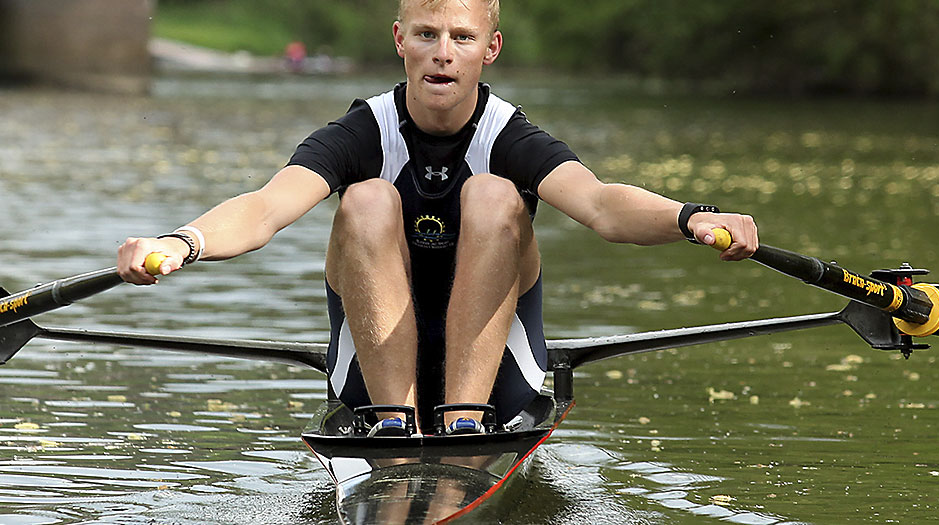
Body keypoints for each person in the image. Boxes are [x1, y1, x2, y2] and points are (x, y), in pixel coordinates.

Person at [115, 0, 758, 437]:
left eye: (462, 38)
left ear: (490, 48)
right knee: (365, 199)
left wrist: (692, 218)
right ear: (401, 41)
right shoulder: (360, 132)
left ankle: (465, 423)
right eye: (426, 35)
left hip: (497, 375)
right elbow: (265, 208)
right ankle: (393, 426)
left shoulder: (510, 137)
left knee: (495, 196)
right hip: (373, 374)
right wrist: (184, 241)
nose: (443, 54)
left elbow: (599, 205)